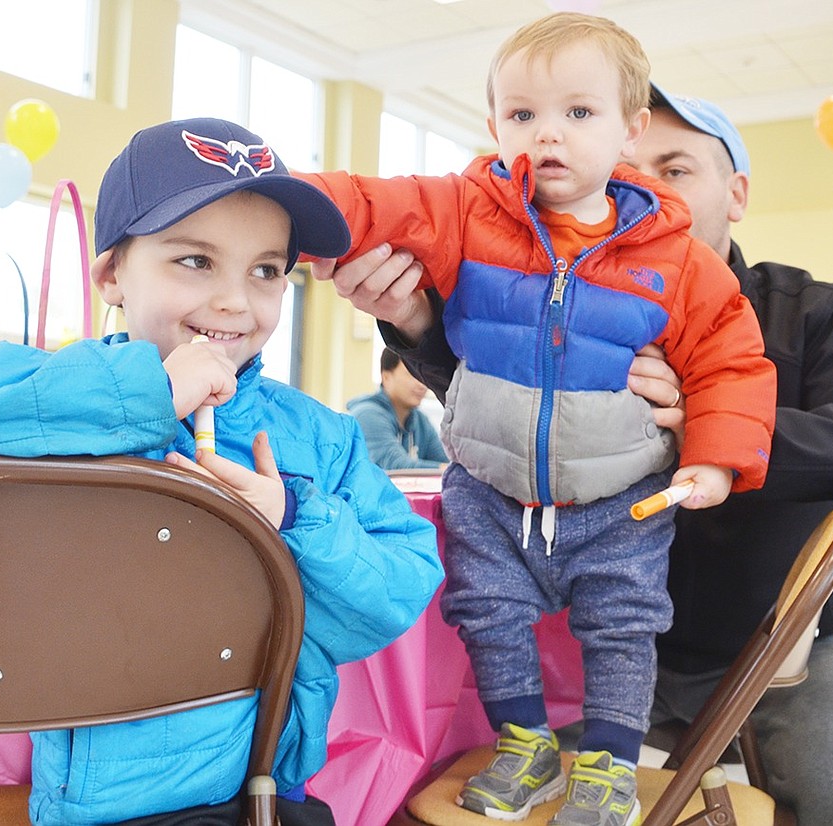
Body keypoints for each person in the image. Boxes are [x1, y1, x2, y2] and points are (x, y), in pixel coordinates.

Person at [314, 85, 833, 825]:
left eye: (675, 169)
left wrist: (706, 426)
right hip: (597, 640)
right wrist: (419, 322)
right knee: (470, 769)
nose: (634, 182)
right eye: (625, 163)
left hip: (791, 641)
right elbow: (504, 417)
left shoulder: (813, 309)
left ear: (736, 194)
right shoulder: (558, 288)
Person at [0, 117, 445, 826]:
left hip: (263, 790)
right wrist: (147, 393)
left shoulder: (320, 437)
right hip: (101, 801)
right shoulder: (64, 391)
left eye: (267, 270)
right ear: (113, 273)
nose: (236, 301)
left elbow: (397, 591)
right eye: (195, 261)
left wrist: (292, 520)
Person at [300, 13, 777, 825]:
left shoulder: (677, 257)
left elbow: (731, 359)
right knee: (484, 611)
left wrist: (717, 458)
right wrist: (289, 206)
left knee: (622, 626)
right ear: (494, 126)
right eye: (523, 115)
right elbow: (381, 201)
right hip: (490, 488)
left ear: (630, 130)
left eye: (577, 114)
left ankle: (610, 762)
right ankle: (526, 744)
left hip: (621, 498)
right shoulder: (470, 213)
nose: (547, 134)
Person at [347, 346, 447, 470]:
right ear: (386, 378)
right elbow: (396, 467)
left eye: (423, 375)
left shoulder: (420, 421)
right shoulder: (367, 415)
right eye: (413, 374)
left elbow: (444, 461)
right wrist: (447, 470)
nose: (422, 384)